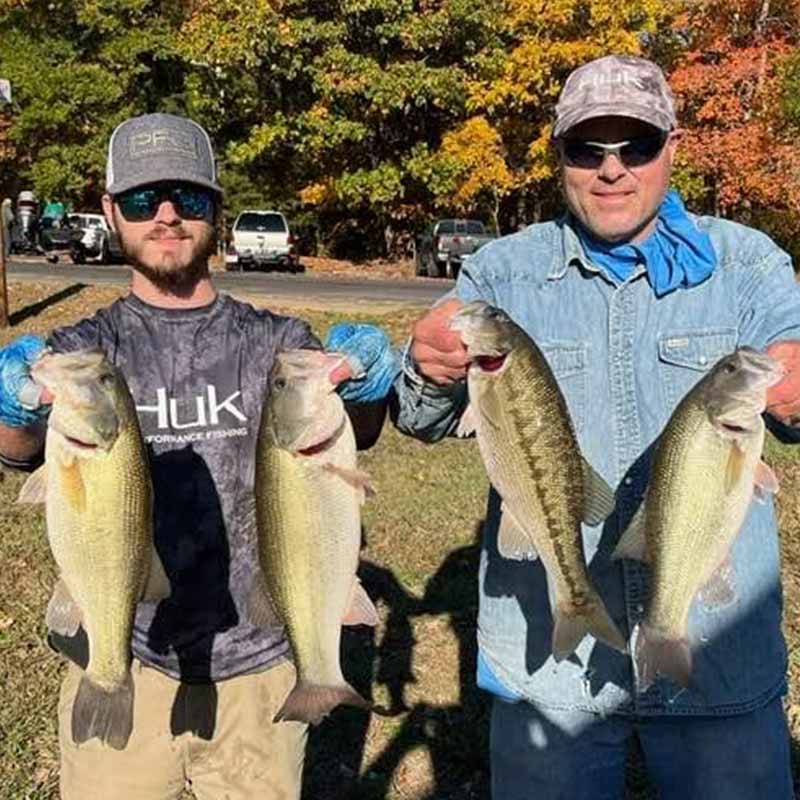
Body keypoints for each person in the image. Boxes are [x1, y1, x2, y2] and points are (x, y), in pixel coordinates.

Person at [392, 55, 800, 799]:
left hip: (717, 655)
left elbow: (792, 401)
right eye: (588, 149)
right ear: (559, 156)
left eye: (635, 145)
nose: (612, 169)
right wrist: (428, 371)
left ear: (673, 147)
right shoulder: (500, 275)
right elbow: (419, 419)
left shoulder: (749, 267)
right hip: (550, 671)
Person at [0, 112, 397, 799]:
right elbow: (17, 454)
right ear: (109, 211)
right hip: (125, 649)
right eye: (139, 200)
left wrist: (363, 385)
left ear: (215, 210)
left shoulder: (277, 342)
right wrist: (12, 410)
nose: (164, 217)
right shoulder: (84, 351)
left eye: (185, 199)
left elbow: (353, 433)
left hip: (261, 670)